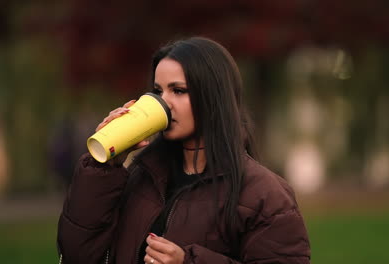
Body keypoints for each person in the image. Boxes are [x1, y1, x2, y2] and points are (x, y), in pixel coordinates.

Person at [57, 37, 311, 264]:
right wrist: (104, 167)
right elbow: (76, 254)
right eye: (158, 91)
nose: (163, 102)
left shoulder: (264, 195)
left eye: (178, 91)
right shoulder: (140, 176)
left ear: (213, 97)